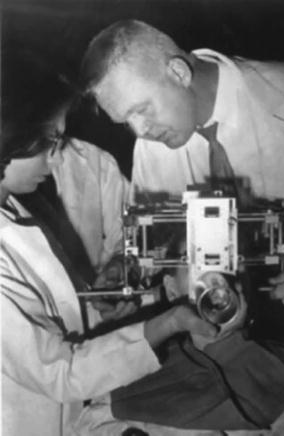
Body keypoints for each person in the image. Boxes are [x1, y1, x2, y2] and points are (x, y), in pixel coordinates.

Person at [79, 19, 284, 436]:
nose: (140, 131)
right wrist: (128, 272)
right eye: (126, 120)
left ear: (178, 72)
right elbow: (154, 236)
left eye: (142, 109)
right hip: (246, 355)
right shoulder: (152, 147)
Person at [0, 51, 217, 436]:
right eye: (49, 141)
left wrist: (108, 299)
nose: (55, 160)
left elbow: (50, 317)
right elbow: (61, 370)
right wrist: (168, 323)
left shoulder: (13, 209)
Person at [76, 241, 284, 436]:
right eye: (198, 264)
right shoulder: (123, 389)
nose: (216, 280)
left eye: (228, 265)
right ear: (171, 288)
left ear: (244, 284)